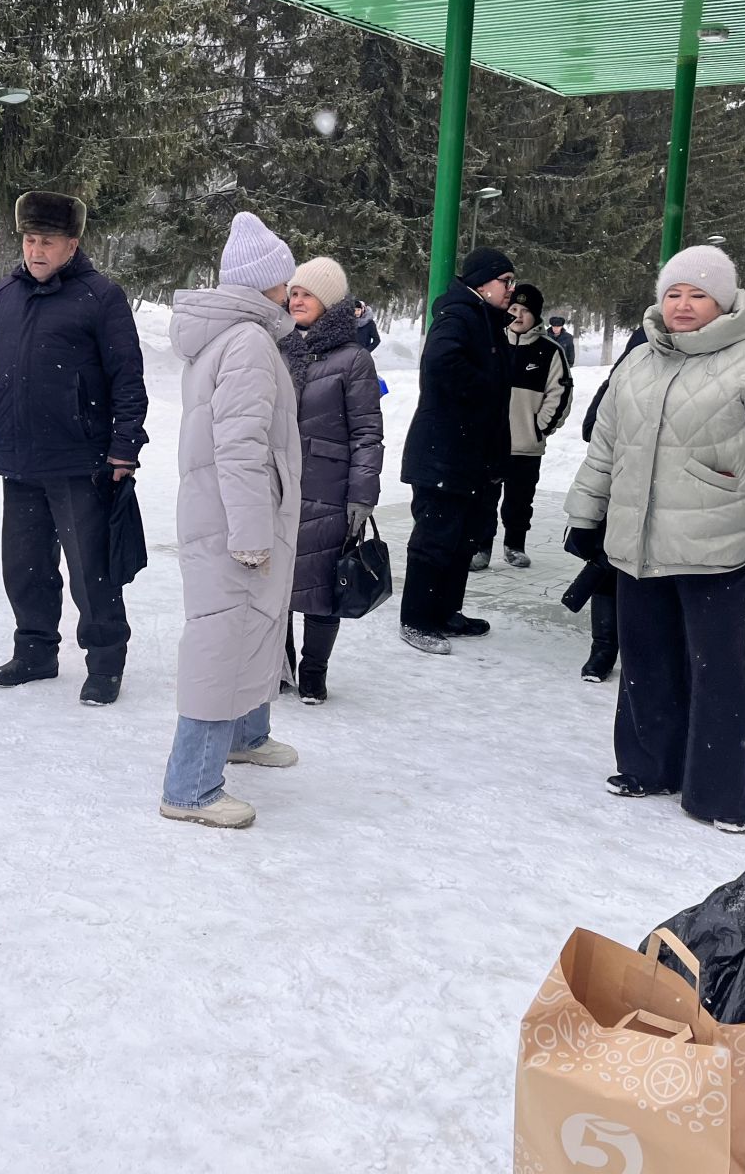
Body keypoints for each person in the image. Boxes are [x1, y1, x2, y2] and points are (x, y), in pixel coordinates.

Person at [564, 245, 745, 834]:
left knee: (716, 669)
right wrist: (586, 513)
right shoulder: (638, 362)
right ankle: (649, 766)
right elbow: (606, 447)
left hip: (717, 546)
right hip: (638, 544)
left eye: (697, 294)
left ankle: (720, 794)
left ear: (724, 302)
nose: (682, 305)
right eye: (673, 293)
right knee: (646, 660)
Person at [0, 191, 148, 707]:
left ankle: (105, 662)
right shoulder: (4, 293)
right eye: (29, 239)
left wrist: (123, 449)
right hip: (18, 458)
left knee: (91, 570)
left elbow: (127, 380)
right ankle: (35, 652)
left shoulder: (100, 296)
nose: (36, 250)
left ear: (72, 244)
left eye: (47, 241)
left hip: (79, 459)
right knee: (23, 566)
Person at [160, 211, 302, 829]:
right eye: (287, 281)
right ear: (266, 283)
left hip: (225, 514)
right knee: (223, 639)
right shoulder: (246, 342)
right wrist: (251, 534)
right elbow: (240, 446)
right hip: (234, 522)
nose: (293, 292)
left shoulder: (233, 336)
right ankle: (189, 787)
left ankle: (245, 735)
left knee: (249, 628)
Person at [397, 246, 516, 654]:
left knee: (464, 539)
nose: (511, 290)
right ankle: (416, 619)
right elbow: (442, 364)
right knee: (435, 541)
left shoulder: (488, 321)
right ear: (481, 282)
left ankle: (446, 611)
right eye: (505, 282)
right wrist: (482, 392)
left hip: (474, 458)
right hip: (443, 453)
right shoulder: (458, 315)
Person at [278, 257, 383, 704]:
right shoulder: (278, 347)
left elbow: (367, 433)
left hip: (329, 492)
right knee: (277, 586)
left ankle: (314, 673)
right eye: (294, 292)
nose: (297, 300)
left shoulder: (354, 359)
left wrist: (362, 495)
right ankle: (279, 668)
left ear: (331, 301)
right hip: (280, 489)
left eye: (307, 293)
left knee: (323, 587)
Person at [573, 324, 647, 682]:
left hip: (669, 500)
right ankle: (602, 649)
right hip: (620, 489)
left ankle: (641, 652)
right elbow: (593, 428)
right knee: (606, 570)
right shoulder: (630, 366)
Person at [498, 283, 573, 569]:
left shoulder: (549, 351)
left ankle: (515, 545)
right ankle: (478, 546)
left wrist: (538, 429)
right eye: (513, 308)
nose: (517, 315)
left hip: (526, 446)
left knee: (519, 501)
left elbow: (561, 393)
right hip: (489, 442)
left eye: (525, 311)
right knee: (480, 498)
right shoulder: (492, 342)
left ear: (537, 316)